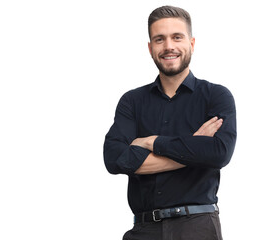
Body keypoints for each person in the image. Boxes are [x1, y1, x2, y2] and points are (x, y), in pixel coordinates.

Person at [104, 5, 237, 240]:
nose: (168, 47)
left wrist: (150, 142)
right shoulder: (132, 101)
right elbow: (114, 159)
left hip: (197, 226)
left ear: (192, 43)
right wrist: (194, 149)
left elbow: (218, 154)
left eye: (177, 37)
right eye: (159, 39)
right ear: (150, 48)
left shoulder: (216, 96)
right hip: (144, 229)